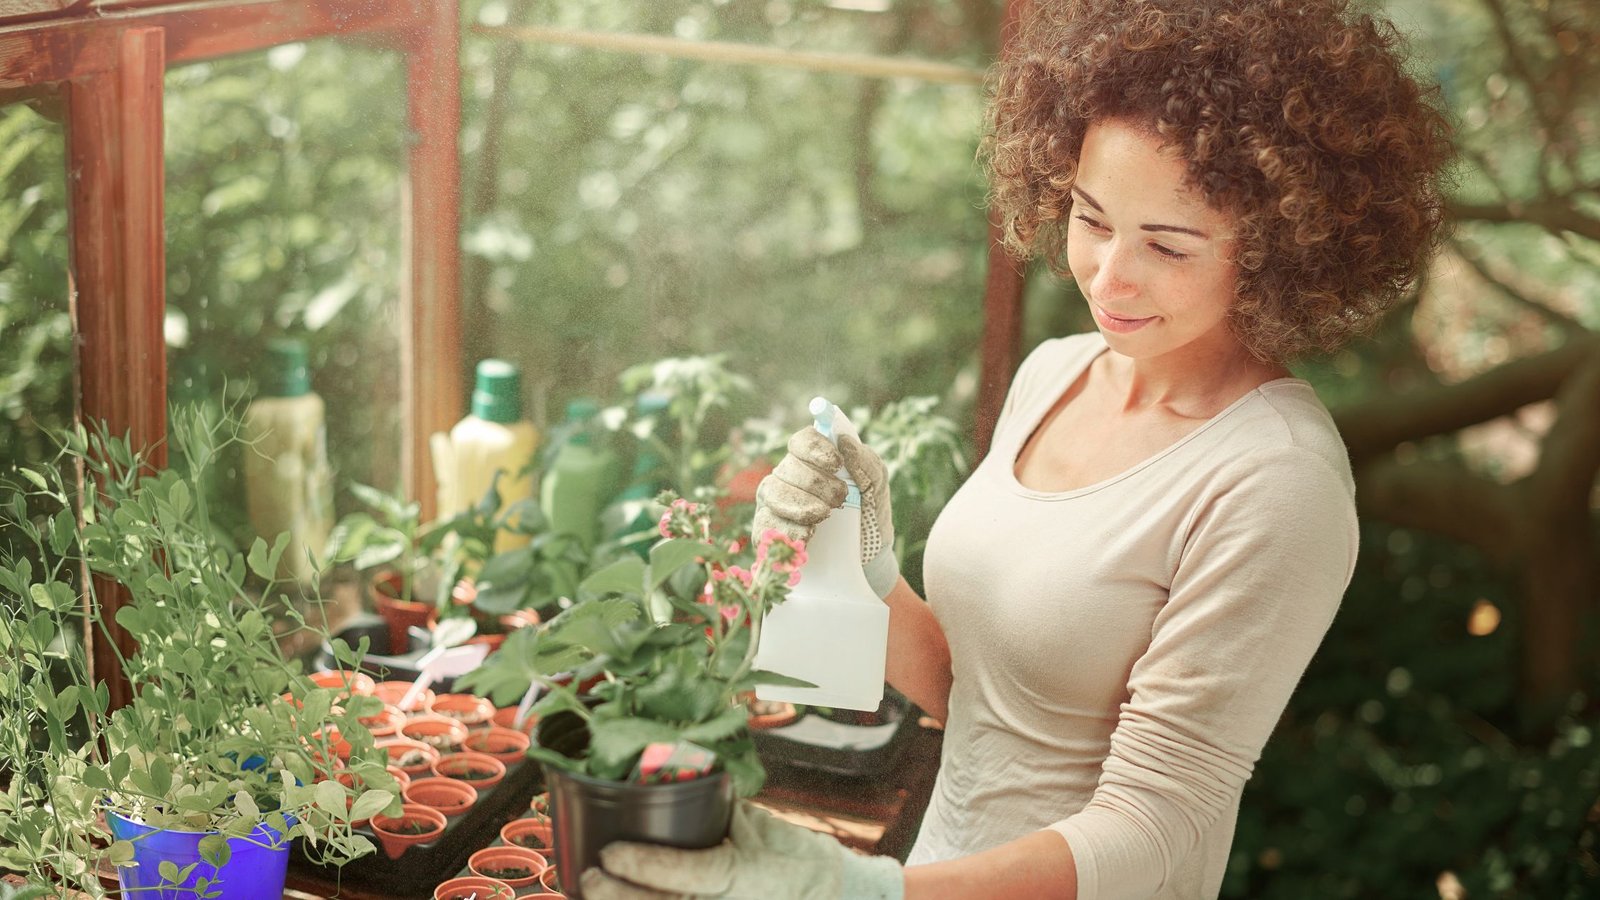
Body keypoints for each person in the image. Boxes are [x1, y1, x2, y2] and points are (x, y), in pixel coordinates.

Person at [581, 0, 1452, 897]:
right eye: (1091, 217)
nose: (1110, 274)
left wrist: (859, 894)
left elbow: (1154, 830)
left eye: (1168, 244)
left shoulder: (1277, 484)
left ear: (1280, 248)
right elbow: (978, 696)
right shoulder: (1057, 374)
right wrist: (860, 560)